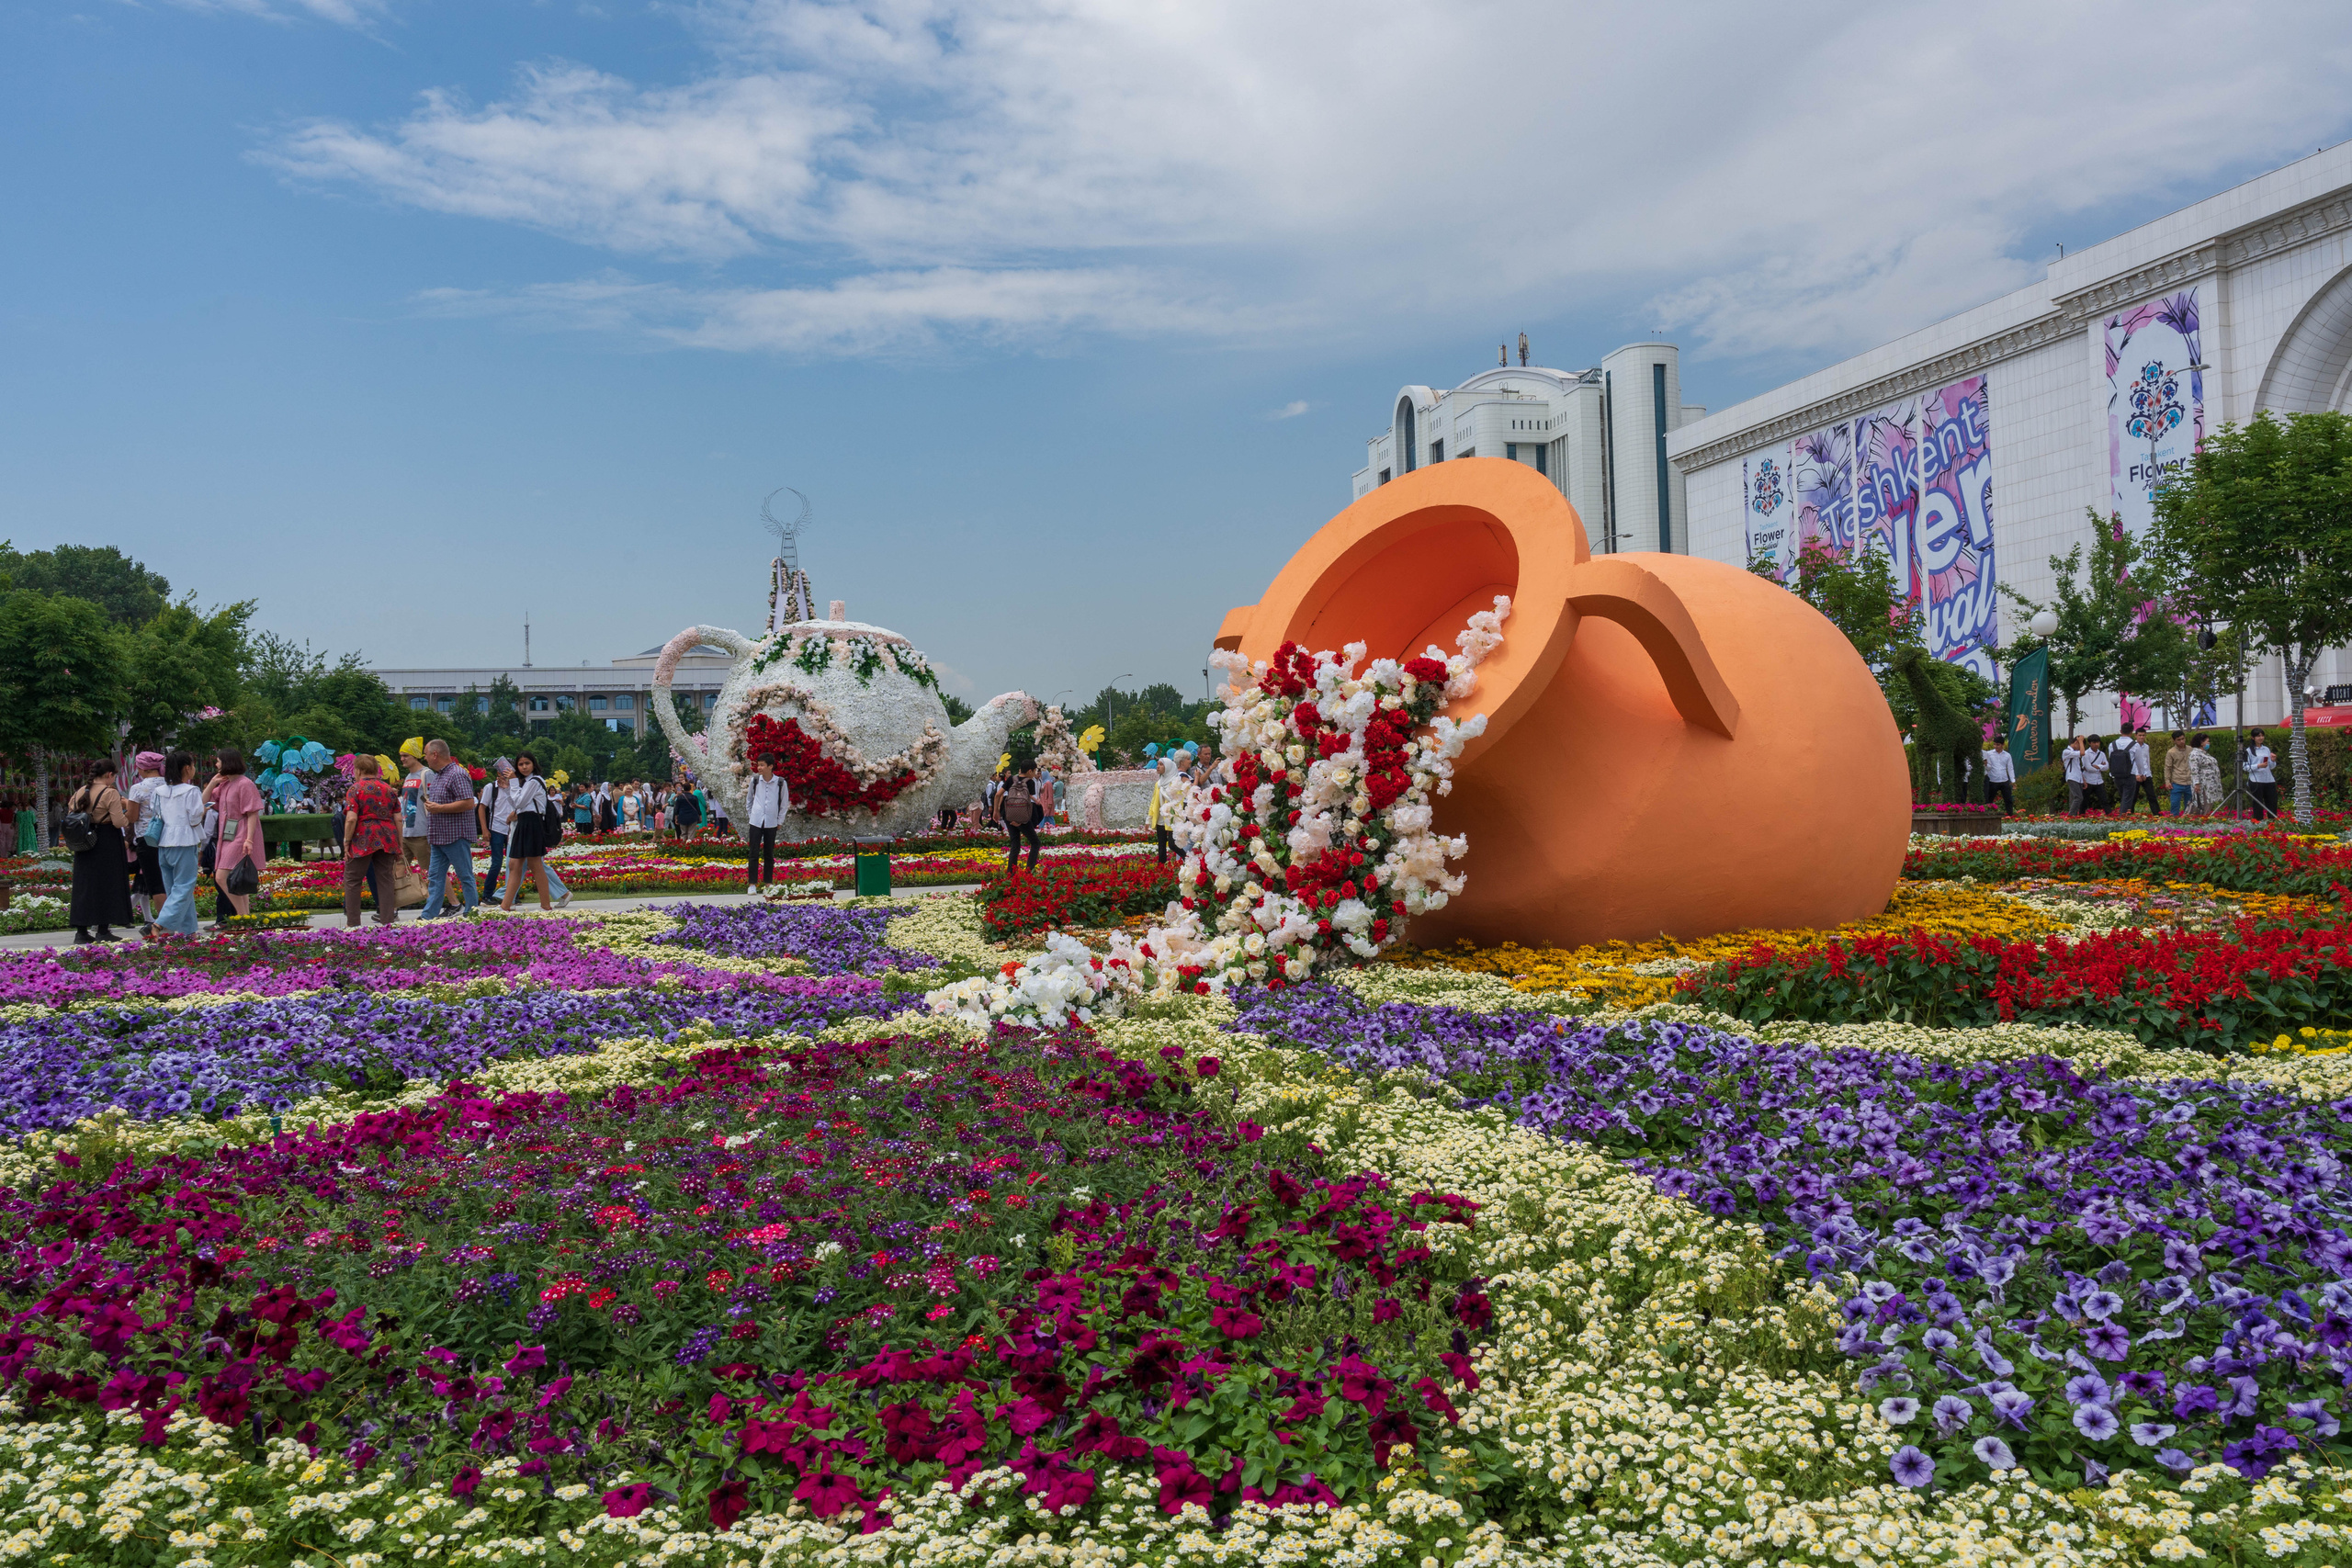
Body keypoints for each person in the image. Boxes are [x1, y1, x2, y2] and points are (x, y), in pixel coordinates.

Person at [66, 761, 135, 943]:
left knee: (84, 885)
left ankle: (81, 932)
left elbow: (71, 812)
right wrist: (129, 814)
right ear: (109, 775)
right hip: (106, 841)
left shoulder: (80, 792)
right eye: (114, 776)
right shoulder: (110, 793)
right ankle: (103, 930)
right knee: (107, 884)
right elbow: (119, 822)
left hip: (84, 841)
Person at [418, 739, 481, 918]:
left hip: (455, 836)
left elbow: (469, 803)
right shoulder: (438, 775)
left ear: (435, 754)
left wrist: (439, 808)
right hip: (439, 836)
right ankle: (428, 915)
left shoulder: (457, 773)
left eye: (426, 754)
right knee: (435, 879)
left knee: (465, 876)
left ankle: (472, 913)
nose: (425, 758)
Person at [204, 748, 266, 926]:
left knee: (222, 877)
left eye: (218, 761)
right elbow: (204, 802)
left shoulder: (245, 784)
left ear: (227, 762)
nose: (216, 765)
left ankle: (242, 917)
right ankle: (246, 918)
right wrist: (212, 784)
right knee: (236, 879)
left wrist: (249, 839)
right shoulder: (224, 785)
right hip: (228, 835)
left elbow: (252, 813)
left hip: (240, 834)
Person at [341, 752, 403, 928]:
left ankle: (353, 925)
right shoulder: (389, 790)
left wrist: (346, 841)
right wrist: (399, 844)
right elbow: (398, 819)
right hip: (387, 837)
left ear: (359, 770)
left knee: (353, 879)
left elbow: (351, 818)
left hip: (363, 837)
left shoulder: (355, 789)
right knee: (385, 879)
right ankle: (387, 923)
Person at [151, 751, 207, 937]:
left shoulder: (159, 792)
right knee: (184, 887)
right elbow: (194, 819)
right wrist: (203, 812)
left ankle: (188, 931)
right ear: (187, 768)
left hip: (164, 842)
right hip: (184, 842)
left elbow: (156, 813)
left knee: (177, 889)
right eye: (193, 766)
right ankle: (160, 924)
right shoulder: (191, 791)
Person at [499, 751, 558, 911]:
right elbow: (515, 804)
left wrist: (513, 782)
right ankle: (505, 905)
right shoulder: (524, 782)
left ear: (533, 764)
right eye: (520, 764)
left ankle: (546, 905)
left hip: (532, 823)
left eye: (527, 763)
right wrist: (508, 787)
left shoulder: (535, 781)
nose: (524, 767)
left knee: (535, 864)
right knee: (515, 864)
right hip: (523, 823)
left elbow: (519, 801)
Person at [125, 750, 168, 937]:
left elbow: (132, 817)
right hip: (169, 837)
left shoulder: (138, 788)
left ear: (142, 768)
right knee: (171, 881)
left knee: (156, 884)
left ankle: (164, 923)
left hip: (147, 839)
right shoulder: (170, 784)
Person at [744, 755, 789, 891]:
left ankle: (768, 883)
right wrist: (752, 815)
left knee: (769, 853)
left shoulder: (781, 783)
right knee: (753, 852)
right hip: (756, 821)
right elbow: (749, 801)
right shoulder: (755, 780)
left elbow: (784, 804)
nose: (759, 768)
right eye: (758, 765)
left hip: (771, 821)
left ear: (770, 766)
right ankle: (752, 883)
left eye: (762, 765)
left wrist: (780, 820)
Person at [996, 762, 1043, 872]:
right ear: (1030, 771)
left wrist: (996, 811)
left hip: (1009, 814)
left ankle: (1010, 872)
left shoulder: (1011, 779)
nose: (1035, 773)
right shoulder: (1030, 782)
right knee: (1035, 842)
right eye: (1035, 771)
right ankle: (1029, 870)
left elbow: (998, 795)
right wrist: (1021, 821)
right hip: (1023, 818)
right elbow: (1028, 802)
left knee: (1015, 844)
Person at [483, 758, 519, 896]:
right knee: (497, 863)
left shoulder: (515, 788)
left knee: (514, 864)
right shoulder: (490, 788)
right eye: (502, 774)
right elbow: (482, 808)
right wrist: (485, 829)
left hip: (512, 829)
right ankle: (487, 894)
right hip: (496, 828)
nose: (505, 777)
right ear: (498, 774)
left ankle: (511, 896)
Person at [400, 746, 433, 874]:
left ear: (415, 756)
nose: (402, 759)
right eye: (401, 756)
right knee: (398, 869)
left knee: (430, 871)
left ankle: (445, 894)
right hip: (405, 832)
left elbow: (432, 799)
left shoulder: (427, 774)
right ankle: (402, 894)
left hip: (421, 833)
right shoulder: (408, 776)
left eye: (405, 756)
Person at [2245, 728, 2280, 818]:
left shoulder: (2266, 749)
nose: (2261, 738)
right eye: (2258, 736)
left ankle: (2272, 822)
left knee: (2272, 802)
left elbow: (2271, 766)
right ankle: (2258, 822)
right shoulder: (2248, 751)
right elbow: (2245, 767)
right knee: (2258, 803)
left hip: (2269, 779)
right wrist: (2258, 766)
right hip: (2256, 779)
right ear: (2253, 738)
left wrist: (2272, 761)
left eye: (2262, 735)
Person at [1979, 739, 2016, 815]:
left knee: (2008, 799)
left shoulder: (2007, 755)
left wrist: (2013, 781)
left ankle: (2010, 816)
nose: (1996, 746)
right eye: (1994, 744)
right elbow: (1987, 766)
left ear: (2002, 745)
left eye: (1998, 745)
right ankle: (1988, 815)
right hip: (1993, 780)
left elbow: (2010, 768)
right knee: (1989, 799)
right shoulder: (1989, 754)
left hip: (2004, 780)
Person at [2190, 733, 2224, 813]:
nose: (2209, 743)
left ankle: (2205, 819)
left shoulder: (2204, 753)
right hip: (2203, 784)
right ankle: (2202, 820)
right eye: (2207, 741)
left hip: (2210, 784)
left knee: (2209, 803)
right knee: (2203, 804)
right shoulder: (2194, 754)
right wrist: (2197, 783)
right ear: (2201, 742)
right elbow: (2194, 770)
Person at [2165, 732, 2193, 816]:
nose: (2182, 741)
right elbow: (2167, 767)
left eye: (2183, 739)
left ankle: (2188, 824)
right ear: (2174, 741)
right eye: (2179, 740)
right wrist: (2167, 781)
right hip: (2177, 782)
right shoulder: (2171, 752)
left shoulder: (2191, 749)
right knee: (2174, 805)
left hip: (2190, 781)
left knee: (2190, 806)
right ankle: (2174, 825)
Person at [2081, 735, 2111, 812]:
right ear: (2089, 743)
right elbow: (2088, 768)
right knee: (2084, 801)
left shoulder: (2101, 754)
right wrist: (2101, 767)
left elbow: (2107, 767)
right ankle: (2081, 816)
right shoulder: (2086, 754)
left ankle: (2110, 815)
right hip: (2088, 780)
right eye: (2094, 742)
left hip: (2099, 780)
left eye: (2098, 742)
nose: (2096, 744)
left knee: (2104, 800)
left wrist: (2098, 766)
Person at [2062, 737, 2086, 816]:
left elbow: (2078, 768)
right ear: (2076, 742)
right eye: (2080, 745)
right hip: (2072, 777)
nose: (2081, 748)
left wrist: (2083, 780)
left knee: (2078, 798)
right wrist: (2080, 740)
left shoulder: (2074, 753)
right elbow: (2082, 753)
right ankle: (2071, 815)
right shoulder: (2066, 752)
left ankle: (2074, 815)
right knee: (2078, 797)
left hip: (2078, 778)